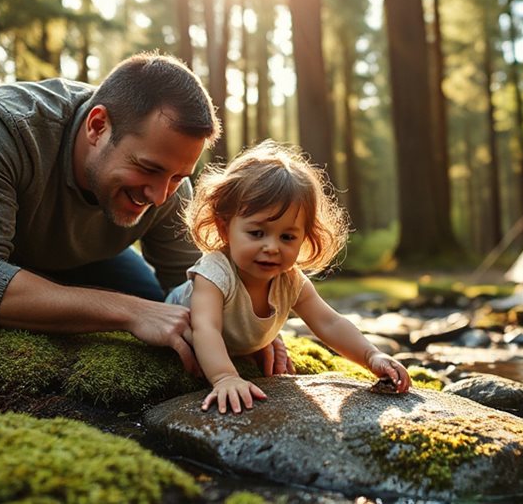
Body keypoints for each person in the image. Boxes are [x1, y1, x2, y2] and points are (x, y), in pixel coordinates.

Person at [0, 52, 285, 376]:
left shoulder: (168, 189)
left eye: (180, 176)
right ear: (97, 126)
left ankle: (37, 290)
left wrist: (240, 323)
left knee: (167, 319)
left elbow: (195, 289)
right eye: (148, 168)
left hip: (74, 252)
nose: (160, 196)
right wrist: (129, 312)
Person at [166, 140, 411, 414]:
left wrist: (371, 355)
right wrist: (225, 377)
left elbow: (329, 322)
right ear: (225, 230)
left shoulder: (289, 280)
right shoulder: (214, 273)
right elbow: (206, 328)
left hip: (232, 337)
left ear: (304, 238)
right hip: (181, 324)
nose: (272, 247)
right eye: (257, 233)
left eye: (287, 237)